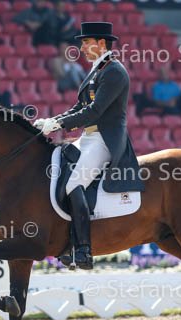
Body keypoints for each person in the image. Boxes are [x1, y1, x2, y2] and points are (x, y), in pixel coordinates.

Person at [34, 22, 145, 269]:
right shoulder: (98, 69)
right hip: (87, 138)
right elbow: (79, 107)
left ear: (101, 43)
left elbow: (95, 111)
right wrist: (53, 120)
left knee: (74, 183)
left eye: (86, 42)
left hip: (104, 140)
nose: (82, 47)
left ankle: (82, 248)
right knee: (58, 169)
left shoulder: (114, 71)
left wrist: (58, 124)